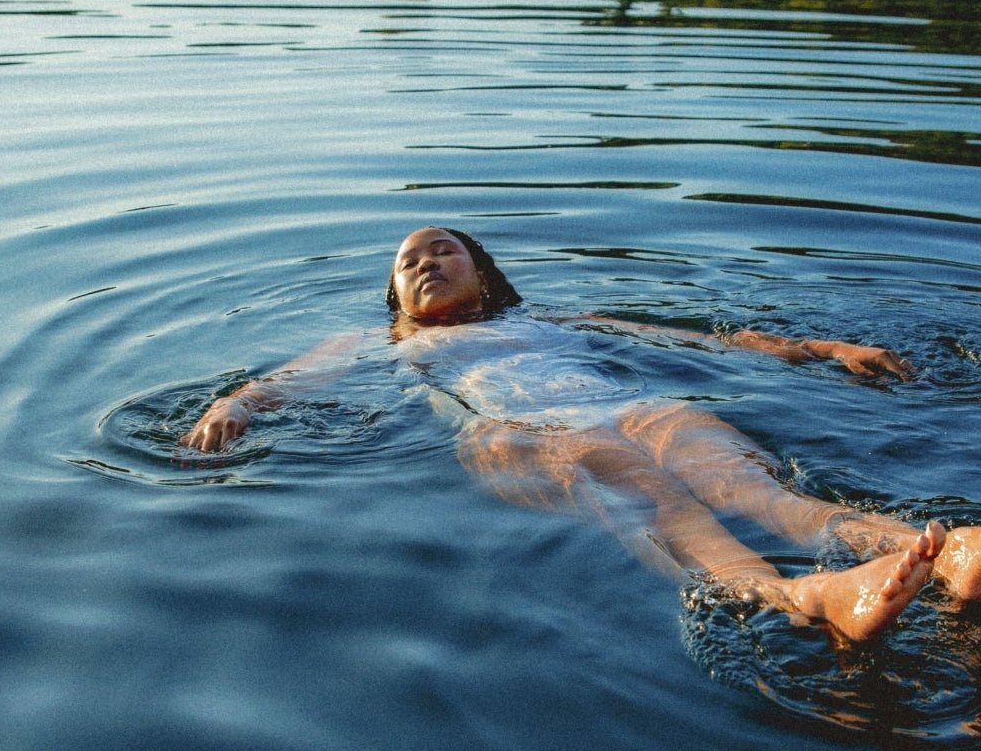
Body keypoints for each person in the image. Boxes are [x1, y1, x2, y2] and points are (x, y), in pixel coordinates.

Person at [181, 226, 980, 641]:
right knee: (652, 496)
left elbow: (690, 337)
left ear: (482, 273)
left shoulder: (550, 320)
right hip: (514, 431)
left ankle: (936, 553)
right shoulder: (390, 344)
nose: (425, 262)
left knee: (750, 482)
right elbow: (284, 381)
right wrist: (238, 404)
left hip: (627, 408)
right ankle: (804, 598)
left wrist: (821, 348)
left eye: (443, 250)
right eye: (408, 262)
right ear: (393, 296)